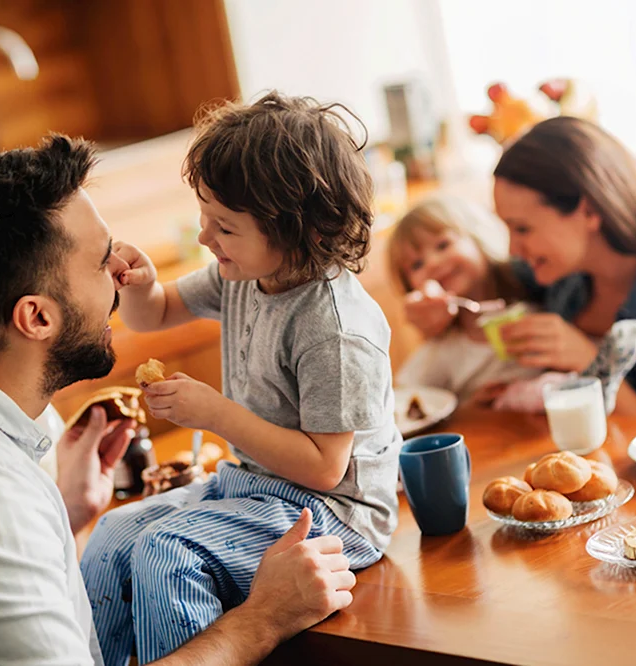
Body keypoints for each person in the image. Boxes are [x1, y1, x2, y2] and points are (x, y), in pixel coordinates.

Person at [0, 136, 356, 666]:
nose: (119, 274)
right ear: (36, 316)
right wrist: (263, 619)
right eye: (100, 260)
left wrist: (69, 519)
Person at [81, 92, 401, 665]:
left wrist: (215, 414)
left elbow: (325, 469)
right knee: (113, 536)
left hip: (336, 514)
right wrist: (141, 285)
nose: (206, 238)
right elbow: (153, 314)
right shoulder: (245, 274)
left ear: (302, 232)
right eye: (205, 219)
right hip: (252, 487)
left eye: (223, 227)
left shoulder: (334, 329)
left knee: (166, 554)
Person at [406, 117, 636, 417]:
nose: (513, 247)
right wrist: (437, 302)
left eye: (523, 228)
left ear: (588, 211)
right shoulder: (563, 278)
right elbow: (490, 278)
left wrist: (591, 363)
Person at [387, 195, 542, 404]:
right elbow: (405, 401)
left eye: (442, 245)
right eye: (416, 265)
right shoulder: (443, 350)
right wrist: (465, 407)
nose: (432, 263)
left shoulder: (543, 299)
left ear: (478, 237)